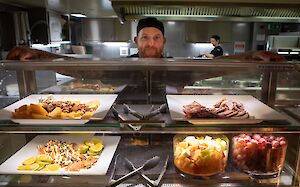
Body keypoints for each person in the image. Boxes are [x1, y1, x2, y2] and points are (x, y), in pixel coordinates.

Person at [6, 17, 285, 62]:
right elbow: (78, 68)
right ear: (135, 40)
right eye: (145, 38)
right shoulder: (121, 66)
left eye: (156, 38)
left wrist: (251, 56)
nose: (151, 43)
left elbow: (216, 68)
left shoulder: (178, 66)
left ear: (164, 41)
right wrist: (39, 55)